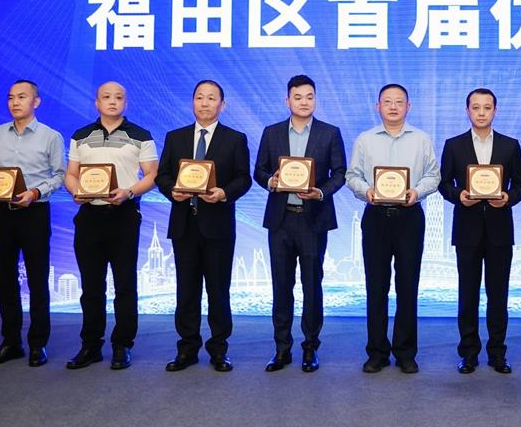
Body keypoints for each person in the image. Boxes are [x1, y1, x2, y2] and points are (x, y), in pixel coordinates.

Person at [253, 74, 347, 373]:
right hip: (280, 220)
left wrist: (320, 192)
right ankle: (282, 349)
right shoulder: (272, 133)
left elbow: (340, 173)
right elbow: (259, 170)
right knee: (281, 286)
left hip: (313, 220)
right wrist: (271, 181)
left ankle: (310, 348)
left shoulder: (329, 133)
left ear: (315, 100)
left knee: (312, 286)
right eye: (298, 97)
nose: (304, 102)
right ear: (287, 100)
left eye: (309, 97)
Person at [345, 84, 441, 374]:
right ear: (378, 107)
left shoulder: (421, 139)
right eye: (387, 101)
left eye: (399, 102)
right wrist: (366, 191)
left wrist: (417, 192)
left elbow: (434, 175)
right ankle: (376, 352)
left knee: (407, 287)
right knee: (376, 287)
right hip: (376, 217)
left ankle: (405, 352)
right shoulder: (365, 140)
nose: (393, 106)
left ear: (408, 107)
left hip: (410, 217)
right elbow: (352, 176)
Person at [155, 80, 250, 373]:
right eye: (199, 97)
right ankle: (187, 349)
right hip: (184, 225)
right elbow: (162, 175)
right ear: (192, 102)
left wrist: (224, 193)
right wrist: (172, 190)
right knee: (186, 290)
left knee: (218, 291)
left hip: (218, 226)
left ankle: (219, 350)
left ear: (222, 104)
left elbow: (243, 178)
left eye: (211, 98)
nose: (205, 103)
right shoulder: (175, 137)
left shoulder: (235, 139)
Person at [64, 82, 158, 371]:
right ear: (97, 103)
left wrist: (128, 192)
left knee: (125, 284)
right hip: (89, 216)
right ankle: (91, 345)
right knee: (91, 285)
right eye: (106, 97)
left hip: (124, 215)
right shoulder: (81, 136)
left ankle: (122, 344)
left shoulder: (140, 135)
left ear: (125, 103)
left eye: (118, 97)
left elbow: (152, 175)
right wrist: (76, 191)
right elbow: (71, 173)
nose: (112, 101)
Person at [439, 88, 521, 375]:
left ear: (495, 111)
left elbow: (520, 184)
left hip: (500, 230)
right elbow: (443, 184)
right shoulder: (454, 145)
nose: (481, 112)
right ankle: (468, 353)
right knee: (467, 295)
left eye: (487, 107)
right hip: (467, 229)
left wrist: (508, 197)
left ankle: (498, 353)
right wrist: (459, 195)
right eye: (475, 107)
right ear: (467, 111)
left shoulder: (510, 145)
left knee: (498, 295)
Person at [0, 80, 65, 368]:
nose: (15, 102)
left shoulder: (51, 136)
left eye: (22, 97)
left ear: (36, 102)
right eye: (10, 98)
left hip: (34, 213)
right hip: (1, 214)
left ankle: (38, 343)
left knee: (38, 280)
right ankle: (11, 342)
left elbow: (59, 176)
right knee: (4, 280)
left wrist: (35, 192)